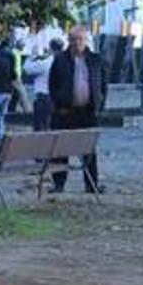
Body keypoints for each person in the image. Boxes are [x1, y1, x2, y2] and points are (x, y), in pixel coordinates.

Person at [48, 25, 108, 193]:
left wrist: (100, 105)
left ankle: (91, 185)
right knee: (60, 150)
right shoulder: (60, 59)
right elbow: (52, 85)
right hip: (65, 112)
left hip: (87, 112)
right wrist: (58, 104)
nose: (77, 43)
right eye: (73, 39)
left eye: (80, 39)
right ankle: (59, 184)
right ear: (69, 41)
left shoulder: (96, 59)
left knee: (89, 150)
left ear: (86, 40)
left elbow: (103, 85)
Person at [24, 38, 62, 132]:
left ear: (50, 48)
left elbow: (26, 68)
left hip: (44, 98)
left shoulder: (46, 63)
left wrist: (32, 56)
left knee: (41, 127)